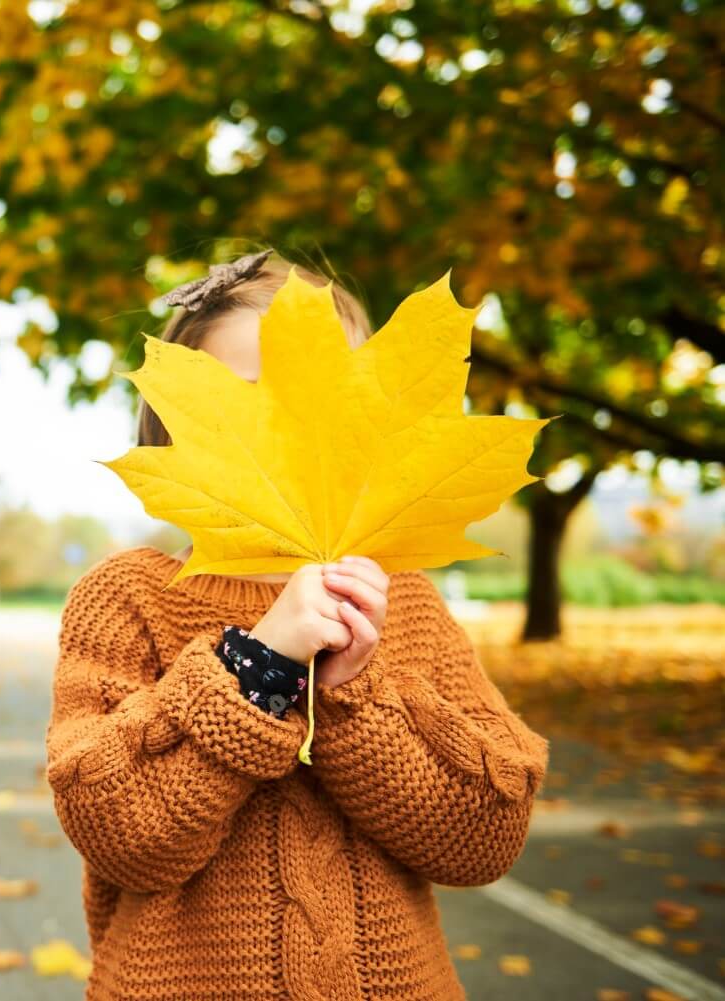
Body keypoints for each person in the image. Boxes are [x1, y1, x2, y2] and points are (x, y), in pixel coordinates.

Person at [44, 247, 551, 1001]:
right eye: (248, 403)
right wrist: (259, 670)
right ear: (175, 430)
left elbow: (487, 829)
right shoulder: (129, 597)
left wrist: (358, 694)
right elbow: (117, 830)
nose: (286, 432)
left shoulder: (401, 601)